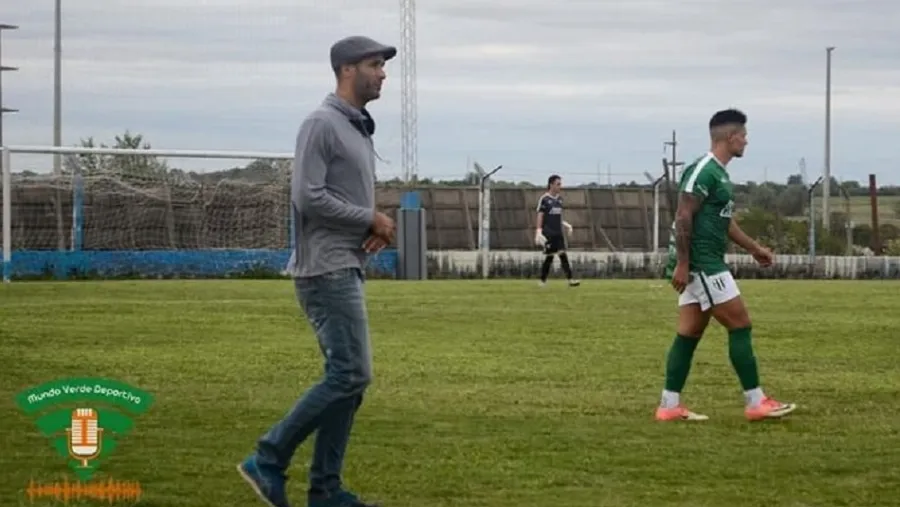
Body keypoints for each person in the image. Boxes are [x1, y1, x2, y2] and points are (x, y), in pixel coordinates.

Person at [237, 35, 398, 507]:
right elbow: (307, 196)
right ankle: (267, 458)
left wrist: (370, 228)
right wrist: (367, 217)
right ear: (347, 69)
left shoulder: (356, 128)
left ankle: (325, 491)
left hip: (345, 263)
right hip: (324, 270)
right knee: (350, 375)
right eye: (374, 64)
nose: (383, 73)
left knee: (350, 383)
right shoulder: (320, 124)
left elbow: (341, 201)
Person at [655, 108, 797, 423]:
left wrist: (755, 249)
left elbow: (725, 222)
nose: (746, 141)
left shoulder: (720, 175)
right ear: (731, 137)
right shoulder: (703, 170)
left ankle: (669, 406)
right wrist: (683, 264)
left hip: (704, 263)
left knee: (689, 333)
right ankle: (756, 401)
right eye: (743, 136)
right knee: (740, 325)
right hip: (702, 264)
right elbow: (683, 215)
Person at [534, 175, 580, 287]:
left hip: (558, 233)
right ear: (551, 185)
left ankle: (570, 280)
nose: (560, 186)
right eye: (558, 184)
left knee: (562, 255)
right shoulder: (544, 199)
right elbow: (540, 215)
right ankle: (542, 281)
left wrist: (567, 225)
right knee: (550, 256)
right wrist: (538, 231)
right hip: (548, 233)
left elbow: (558, 217)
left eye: (560, 184)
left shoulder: (559, 199)